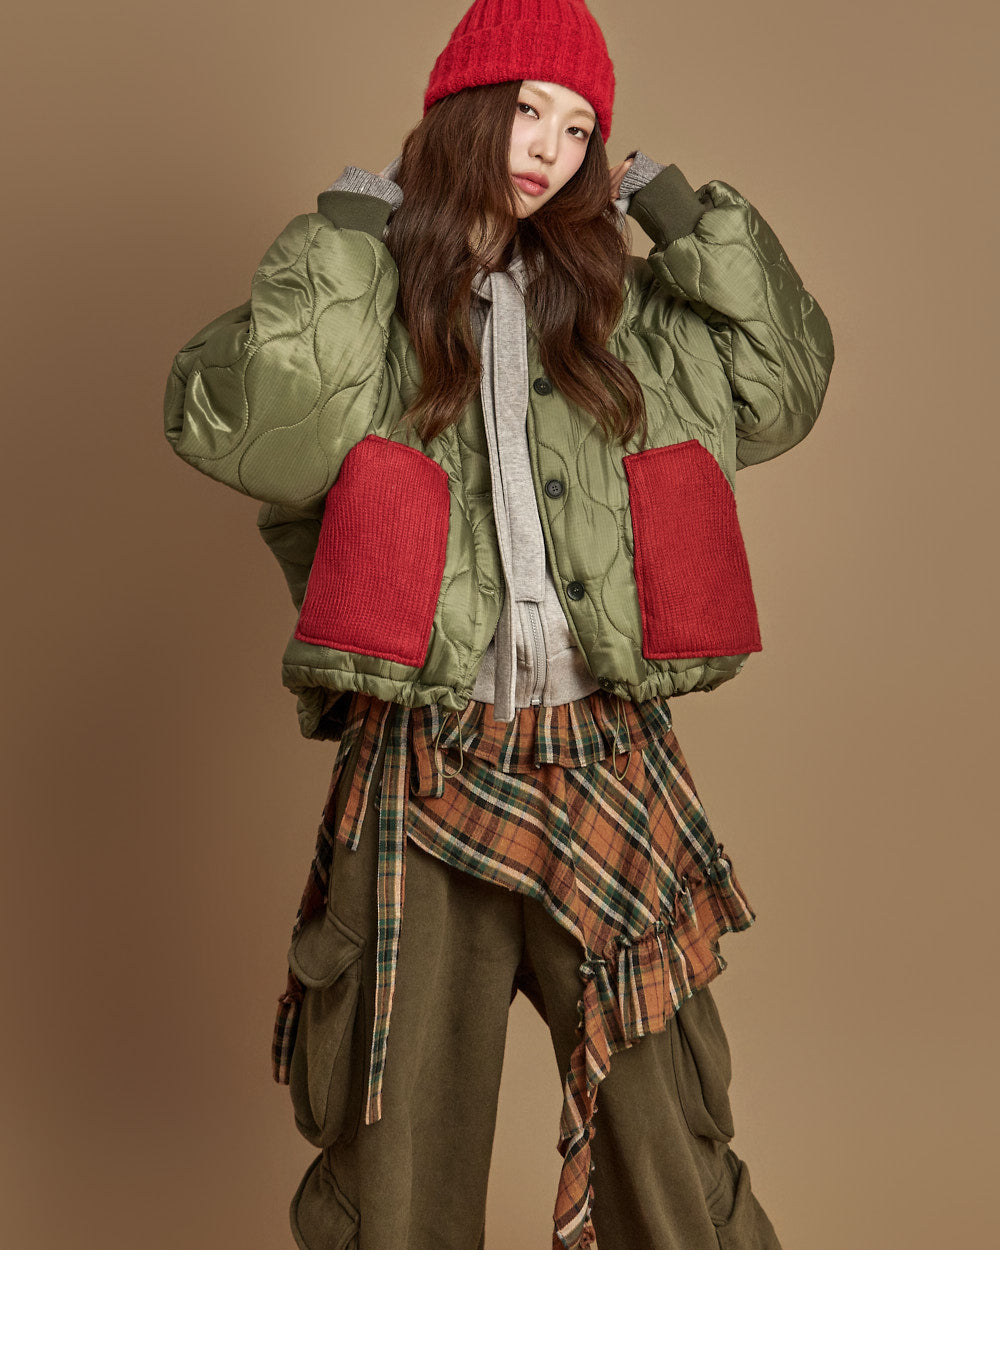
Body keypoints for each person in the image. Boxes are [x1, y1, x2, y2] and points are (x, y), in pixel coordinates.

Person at [162, 0, 834, 1250]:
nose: (551, 149)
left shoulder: (623, 306)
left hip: (604, 757)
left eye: (578, 127)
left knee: (671, 1158)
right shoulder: (370, 296)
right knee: (396, 1172)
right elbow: (263, 428)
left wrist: (680, 215)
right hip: (422, 765)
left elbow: (781, 390)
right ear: (462, 108)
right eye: (528, 109)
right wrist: (349, 241)